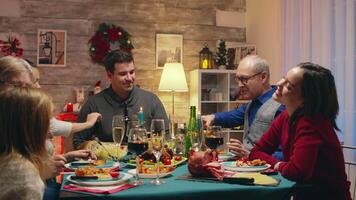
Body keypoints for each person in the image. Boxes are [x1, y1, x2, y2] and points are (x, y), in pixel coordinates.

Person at [249, 63, 351, 200]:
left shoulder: (311, 124)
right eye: (283, 78)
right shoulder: (286, 116)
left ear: (305, 100)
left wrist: (277, 164)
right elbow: (256, 152)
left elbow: (297, 172)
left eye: (288, 86)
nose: (279, 84)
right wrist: (282, 165)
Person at [73, 50, 169, 149]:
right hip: (108, 163)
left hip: (146, 162)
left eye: (132, 72)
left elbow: (166, 136)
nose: (129, 78)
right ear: (109, 75)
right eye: (123, 74)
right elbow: (78, 142)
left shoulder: (151, 100)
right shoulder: (93, 104)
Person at [202, 55, 284, 158]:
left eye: (244, 79)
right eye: (237, 79)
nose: (240, 85)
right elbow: (233, 116)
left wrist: (252, 155)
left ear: (263, 77)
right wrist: (213, 117)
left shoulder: (282, 106)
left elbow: (286, 154)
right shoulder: (253, 103)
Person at [0, 85, 54, 200]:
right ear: (33, 127)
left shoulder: (10, 159)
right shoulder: (21, 172)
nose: (50, 131)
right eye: (47, 121)